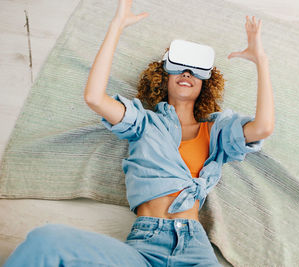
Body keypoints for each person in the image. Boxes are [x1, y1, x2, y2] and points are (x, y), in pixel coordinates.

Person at [4, 0, 274, 266]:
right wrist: (116, 27)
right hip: (145, 245)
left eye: (196, 71)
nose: (187, 73)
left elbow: (262, 128)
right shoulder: (143, 123)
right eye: (179, 66)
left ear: (205, 83)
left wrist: (261, 60)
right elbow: (95, 97)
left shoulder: (216, 131)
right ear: (163, 75)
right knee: (46, 240)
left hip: (195, 248)